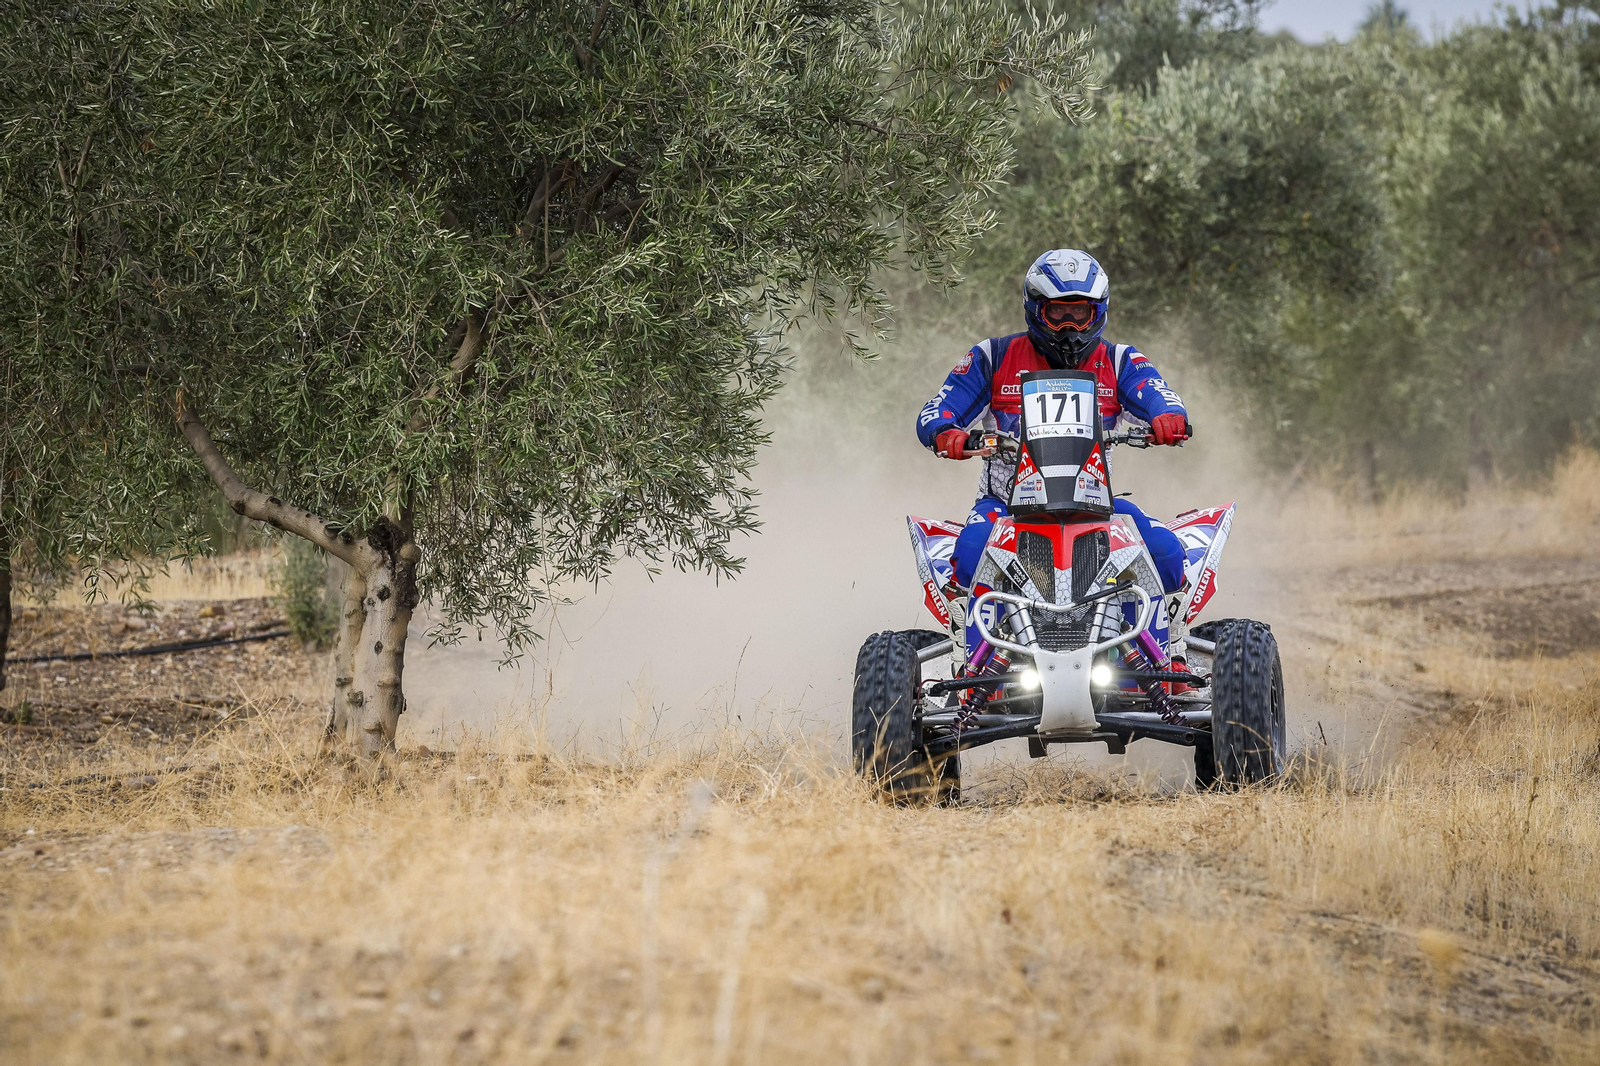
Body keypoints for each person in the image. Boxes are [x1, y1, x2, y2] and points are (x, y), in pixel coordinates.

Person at [916, 248, 1190, 597]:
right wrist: (945, 432)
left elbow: (1159, 395)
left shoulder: (1120, 360)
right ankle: (963, 645)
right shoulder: (992, 356)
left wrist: (1168, 418)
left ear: (1098, 311)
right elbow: (936, 410)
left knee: (1164, 554)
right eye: (1057, 312)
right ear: (1035, 309)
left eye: (1079, 312)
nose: (1069, 326)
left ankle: (1173, 643)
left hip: (1094, 503)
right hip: (1005, 504)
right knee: (970, 556)